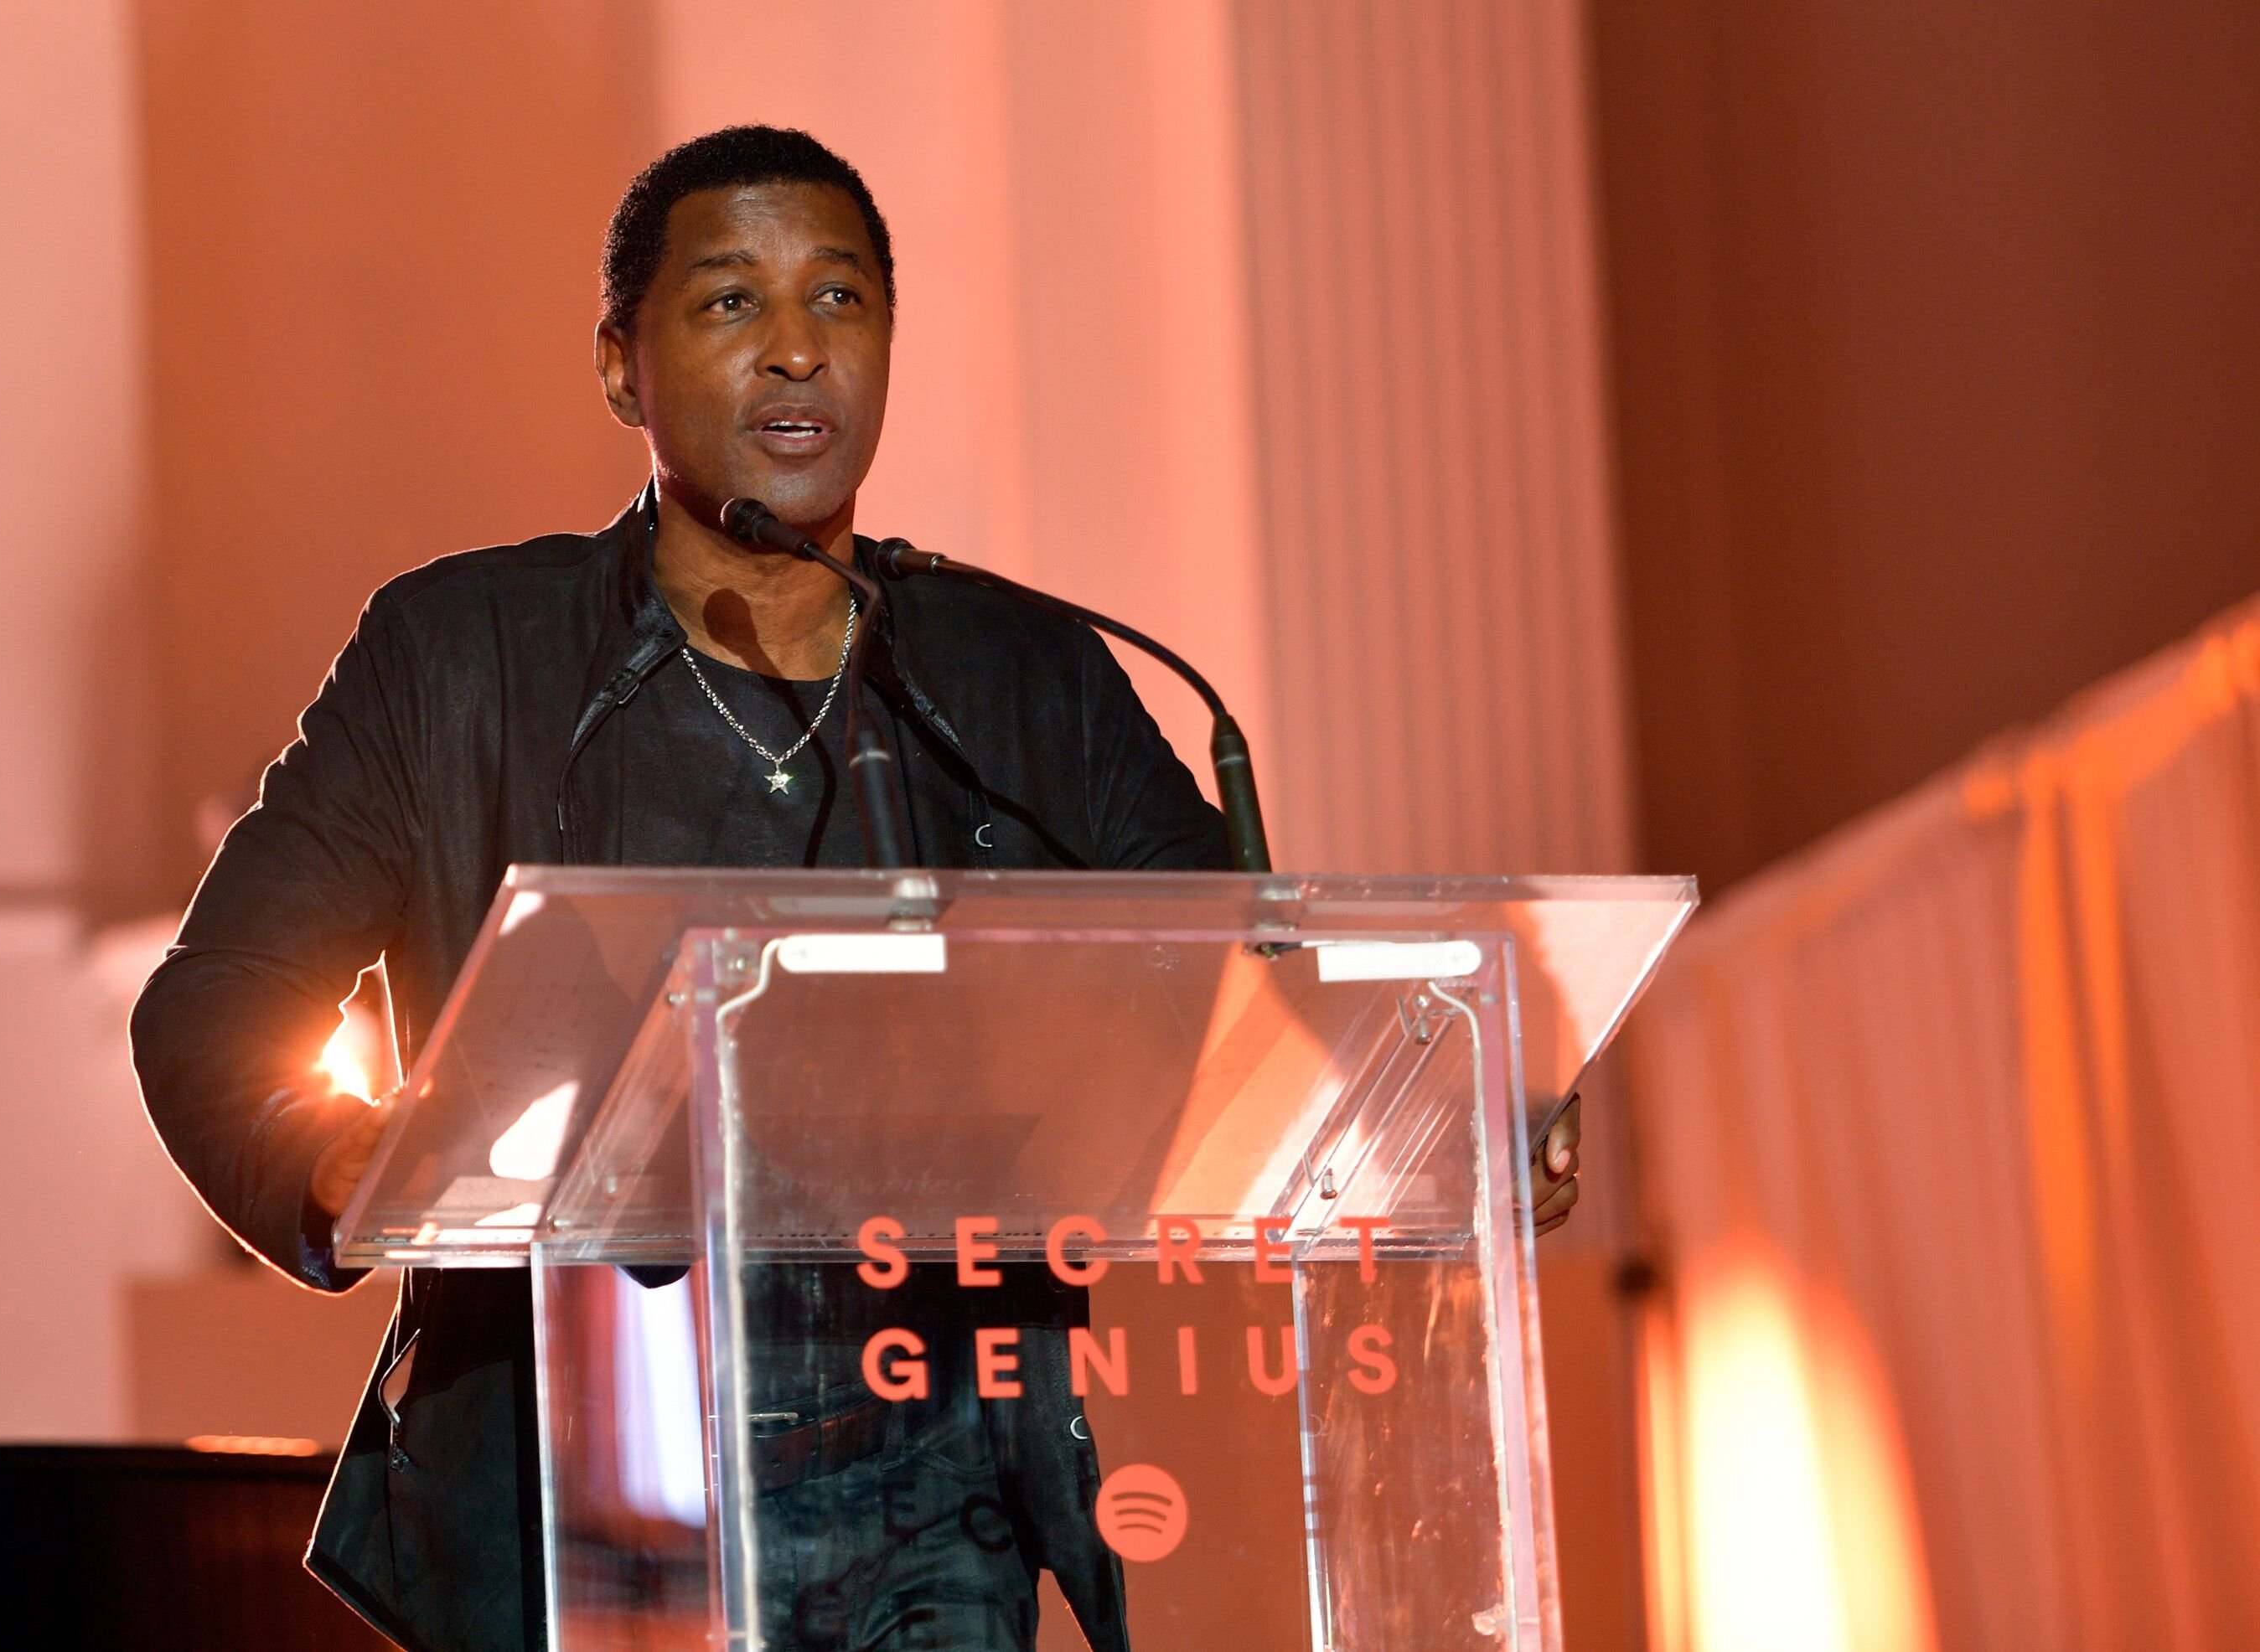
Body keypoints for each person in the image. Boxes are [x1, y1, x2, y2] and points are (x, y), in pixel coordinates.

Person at [132, 125, 1584, 1652]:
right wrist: (350, 1161)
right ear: (621, 366)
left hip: (943, 1486)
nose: (796, 354)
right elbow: (212, 1008)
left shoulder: (1023, 674)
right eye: (729, 305)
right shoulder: (459, 661)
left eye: (840, 303)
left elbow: (1246, 995)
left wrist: (1456, 1095)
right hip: (589, 1499)